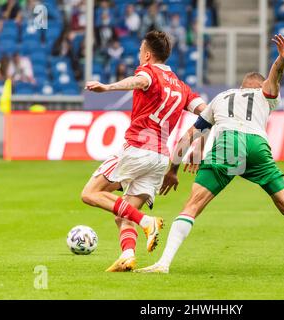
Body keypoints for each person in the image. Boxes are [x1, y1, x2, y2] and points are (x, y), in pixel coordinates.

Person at [135, 35, 284, 274]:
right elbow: (275, 77)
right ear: (259, 86)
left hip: (229, 144)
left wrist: (172, 170)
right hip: (257, 146)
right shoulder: (266, 96)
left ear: (242, 86)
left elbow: (189, 136)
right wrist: (281, 60)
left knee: (192, 206)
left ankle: (164, 263)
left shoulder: (221, 97)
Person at [83, 31, 207, 272]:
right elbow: (207, 114)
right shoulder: (182, 87)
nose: (139, 55)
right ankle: (127, 256)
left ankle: (147, 222)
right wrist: (199, 145)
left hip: (137, 149)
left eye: (141, 51)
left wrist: (107, 87)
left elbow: (139, 81)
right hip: (160, 158)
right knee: (123, 212)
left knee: (90, 193)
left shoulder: (148, 72)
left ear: (148, 55)